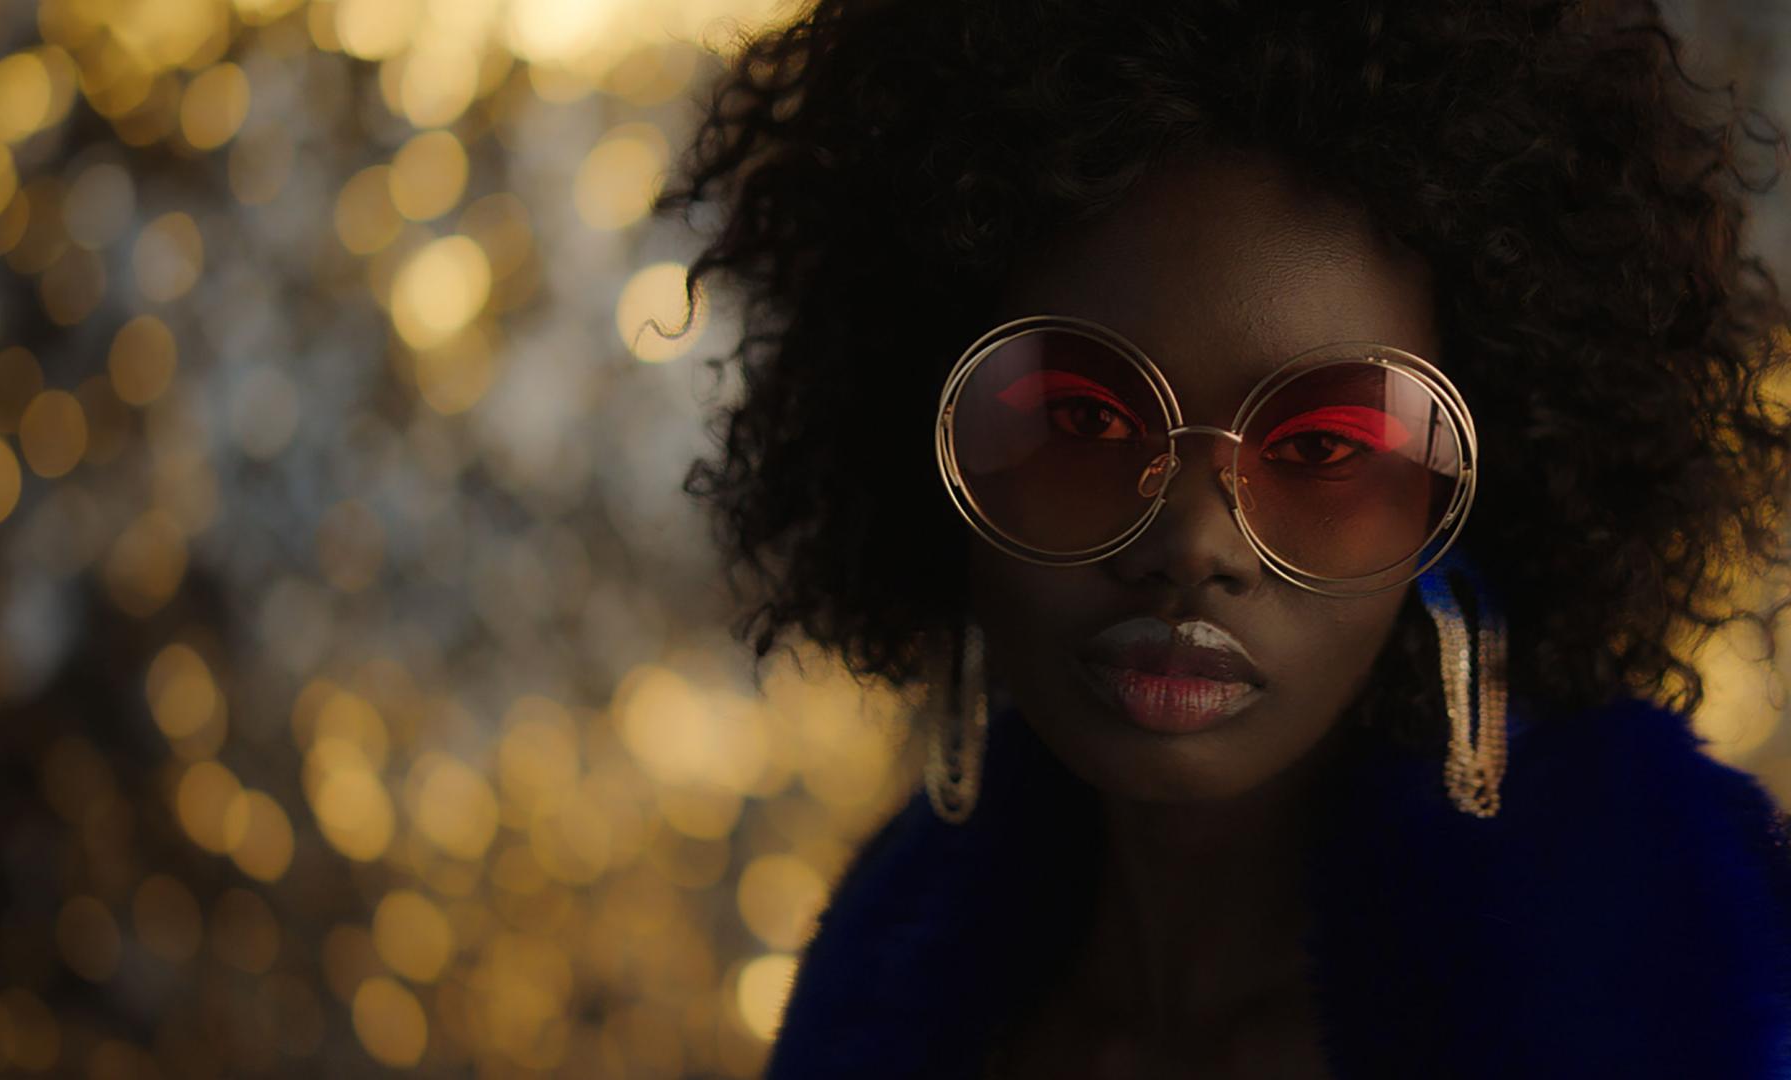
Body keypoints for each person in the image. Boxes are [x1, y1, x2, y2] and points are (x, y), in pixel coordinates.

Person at [656, 0, 1791, 1076]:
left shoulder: (1683, 1003)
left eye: (1324, 447)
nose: (1193, 539)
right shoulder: (880, 1004)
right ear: (922, 438)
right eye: (1081, 420)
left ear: (1476, 484)